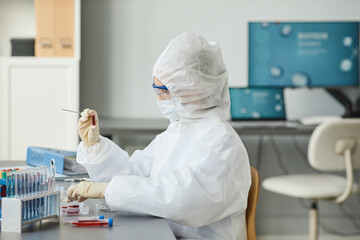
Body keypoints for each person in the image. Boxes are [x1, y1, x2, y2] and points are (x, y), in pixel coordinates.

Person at [67, 32, 251, 240]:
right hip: (166, 232)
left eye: (164, 90)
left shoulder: (222, 143)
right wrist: (95, 147)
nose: (159, 97)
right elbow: (136, 174)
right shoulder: (178, 130)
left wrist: (108, 190)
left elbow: (179, 198)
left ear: (195, 88)